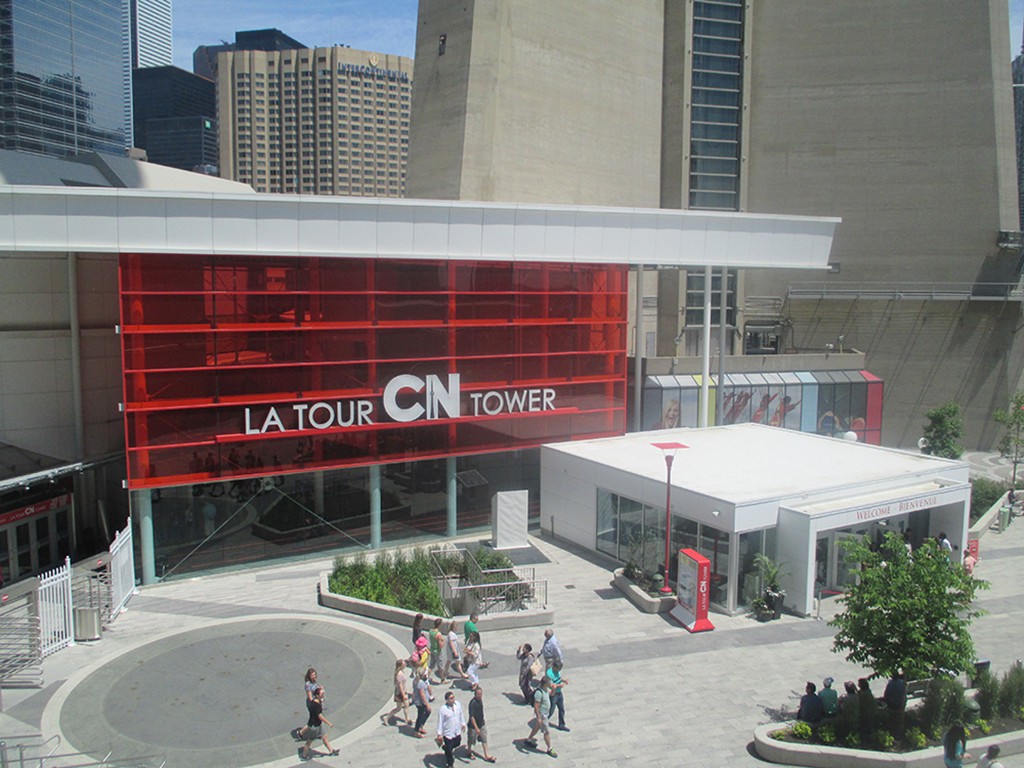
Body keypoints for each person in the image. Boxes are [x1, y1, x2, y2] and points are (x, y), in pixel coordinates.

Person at [299, 686, 339, 760]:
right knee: (309, 741)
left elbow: (322, 692)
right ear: (317, 695)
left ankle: (331, 751)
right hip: (314, 726)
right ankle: (304, 755)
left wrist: (321, 688)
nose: (323, 695)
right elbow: (320, 716)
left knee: (325, 737)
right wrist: (329, 723)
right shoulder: (316, 705)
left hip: (318, 724)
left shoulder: (316, 701)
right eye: (321, 694)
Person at [523, 676, 557, 757]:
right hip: (542, 715)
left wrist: (553, 689)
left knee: (537, 726)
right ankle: (549, 748)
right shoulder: (539, 693)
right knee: (546, 732)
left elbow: (551, 695)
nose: (551, 684)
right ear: (546, 683)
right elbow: (536, 706)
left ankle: (529, 740)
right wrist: (538, 717)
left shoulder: (545, 689)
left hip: (545, 713)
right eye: (549, 683)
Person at [435, 690, 466, 768]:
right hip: (448, 733)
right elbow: (440, 722)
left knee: (457, 743)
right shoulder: (443, 709)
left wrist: (463, 723)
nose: (453, 699)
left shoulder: (457, 705)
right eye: (451, 698)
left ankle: (446, 748)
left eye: (453, 697)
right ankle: (450, 764)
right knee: (449, 751)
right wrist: (439, 734)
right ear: (447, 700)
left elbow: (460, 714)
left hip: (456, 731)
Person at [467, 686, 497, 762]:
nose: (480, 695)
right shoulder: (472, 703)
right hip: (473, 726)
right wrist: (476, 728)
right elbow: (472, 717)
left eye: (481, 694)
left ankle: (486, 755)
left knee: (484, 739)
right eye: (478, 694)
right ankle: (469, 751)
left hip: (481, 723)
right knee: (471, 740)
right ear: (475, 694)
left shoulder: (480, 700)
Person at [292, 668, 320, 740]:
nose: (314, 676)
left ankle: (319, 732)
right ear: (309, 676)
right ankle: (301, 733)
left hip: (316, 702)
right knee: (314, 720)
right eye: (312, 675)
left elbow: (315, 691)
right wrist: (316, 701)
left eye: (315, 674)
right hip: (312, 704)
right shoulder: (308, 684)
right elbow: (310, 697)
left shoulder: (314, 681)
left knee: (318, 718)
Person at [383, 659, 411, 726]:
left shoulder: (401, 672)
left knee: (406, 706)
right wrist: (403, 695)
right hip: (400, 693)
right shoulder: (399, 674)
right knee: (399, 708)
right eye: (404, 664)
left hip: (403, 692)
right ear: (400, 665)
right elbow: (400, 686)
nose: (405, 665)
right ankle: (387, 718)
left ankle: (407, 719)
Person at [546, 660, 569, 731]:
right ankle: (543, 721)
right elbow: (550, 684)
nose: (559, 670)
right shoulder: (549, 673)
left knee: (561, 709)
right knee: (551, 710)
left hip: (559, 693)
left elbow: (558, 677)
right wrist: (559, 685)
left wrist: (563, 680)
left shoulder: (557, 671)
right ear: (554, 667)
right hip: (554, 694)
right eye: (558, 669)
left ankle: (561, 725)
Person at [412, 667, 433, 737]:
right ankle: (416, 731)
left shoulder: (416, 680)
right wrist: (427, 704)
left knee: (425, 713)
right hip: (421, 703)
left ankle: (420, 726)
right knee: (420, 716)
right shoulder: (420, 682)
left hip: (419, 701)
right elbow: (422, 694)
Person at [430, 617, 447, 682]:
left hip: (432, 649)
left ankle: (426, 677)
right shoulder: (438, 634)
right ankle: (442, 679)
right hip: (437, 651)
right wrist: (443, 641)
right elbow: (441, 646)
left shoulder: (431, 631)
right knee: (440, 666)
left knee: (431, 665)